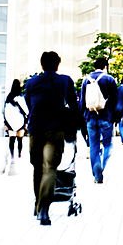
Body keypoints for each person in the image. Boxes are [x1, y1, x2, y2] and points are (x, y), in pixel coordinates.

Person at [25, 51, 80, 225]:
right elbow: (73, 105)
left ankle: (37, 203)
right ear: (57, 64)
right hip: (55, 129)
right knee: (50, 168)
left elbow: (29, 103)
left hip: (35, 129)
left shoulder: (31, 83)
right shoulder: (65, 81)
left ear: (41, 64)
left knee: (37, 167)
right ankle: (43, 210)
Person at [79, 56, 118, 184]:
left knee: (93, 146)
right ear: (105, 66)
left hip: (90, 117)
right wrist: (115, 117)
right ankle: (101, 165)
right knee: (108, 145)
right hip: (106, 117)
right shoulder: (110, 79)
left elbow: (82, 102)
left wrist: (83, 117)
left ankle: (97, 174)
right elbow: (115, 101)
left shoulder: (86, 80)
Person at [3, 78, 29, 169]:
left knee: (12, 140)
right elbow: (26, 111)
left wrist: (5, 122)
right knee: (20, 140)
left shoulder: (8, 97)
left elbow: (5, 111)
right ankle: (19, 154)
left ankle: (12, 155)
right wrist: (26, 122)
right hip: (20, 121)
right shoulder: (21, 97)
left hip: (10, 122)